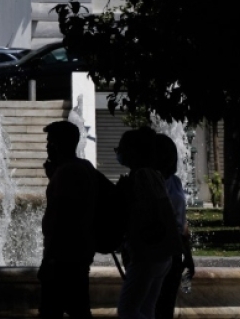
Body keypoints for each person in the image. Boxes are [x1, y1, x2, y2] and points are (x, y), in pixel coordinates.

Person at [115, 127, 182, 319]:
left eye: (121, 149)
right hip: (160, 254)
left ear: (133, 152)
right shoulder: (154, 175)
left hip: (147, 253)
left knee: (127, 309)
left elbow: (146, 212)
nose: (119, 153)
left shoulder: (141, 176)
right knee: (147, 309)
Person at [38, 121, 100, 319]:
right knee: (79, 308)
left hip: (63, 257)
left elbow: (62, 218)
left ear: (57, 144)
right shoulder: (84, 167)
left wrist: (49, 258)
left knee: (52, 311)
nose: (47, 147)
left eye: (50, 142)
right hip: (80, 253)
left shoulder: (66, 172)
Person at [154, 134, 195, 319]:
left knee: (166, 304)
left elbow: (182, 220)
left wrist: (188, 254)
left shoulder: (176, 181)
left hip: (175, 250)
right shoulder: (151, 181)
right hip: (158, 249)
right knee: (155, 303)